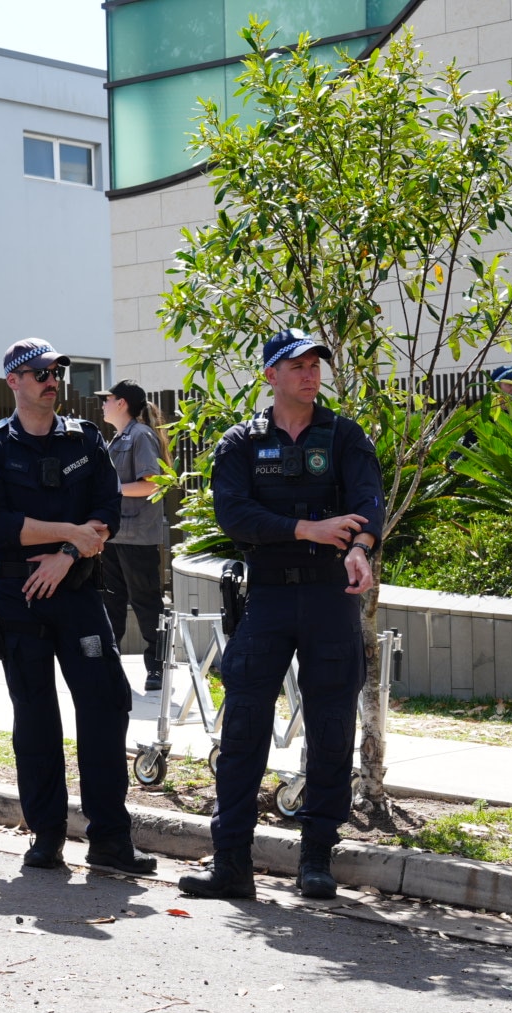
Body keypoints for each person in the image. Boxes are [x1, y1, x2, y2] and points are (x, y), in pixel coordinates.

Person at [177, 329, 384, 902]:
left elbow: (369, 501)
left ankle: (317, 858)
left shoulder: (343, 435)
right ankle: (231, 864)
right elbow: (234, 514)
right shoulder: (241, 442)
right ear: (270, 374)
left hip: (328, 598)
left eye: (316, 362)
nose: (310, 373)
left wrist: (360, 547)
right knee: (243, 726)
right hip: (266, 597)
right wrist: (305, 529)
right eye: (296, 364)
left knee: (331, 726)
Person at [0, 337, 156, 875]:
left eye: (56, 371)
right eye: (40, 372)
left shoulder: (86, 440)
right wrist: (68, 533)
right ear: (14, 382)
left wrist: (66, 554)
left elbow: (109, 511)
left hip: (74, 589)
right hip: (17, 596)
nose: (52, 379)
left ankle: (110, 838)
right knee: (36, 716)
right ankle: (46, 835)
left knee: (106, 704)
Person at [94, 379, 170, 693]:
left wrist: (110, 492)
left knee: (146, 602)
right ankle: (106, 665)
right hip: (116, 535)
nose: (102, 404)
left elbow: (152, 483)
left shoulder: (140, 436)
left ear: (122, 402)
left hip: (137, 535)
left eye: (106, 399)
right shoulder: (118, 438)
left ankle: (158, 669)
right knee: (111, 603)